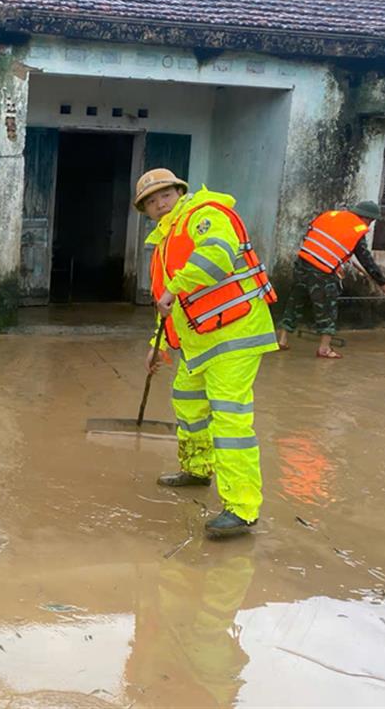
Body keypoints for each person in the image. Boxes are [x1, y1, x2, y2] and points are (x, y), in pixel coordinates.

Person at [136, 168, 278, 538]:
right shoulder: (164, 244)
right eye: (151, 202)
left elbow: (217, 256)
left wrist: (175, 287)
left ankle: (242, 508)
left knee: (229, 420)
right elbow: (169, 307)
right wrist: (158, 347)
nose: (159, 204)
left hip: (235, 333)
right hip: (201, 343)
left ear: (179, 192)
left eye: (164, 195)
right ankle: (198, 470)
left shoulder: (204, 214)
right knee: (187, 401)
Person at [276, 201, 385, 358]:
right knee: (327, 308)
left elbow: (318, 238)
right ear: (366, 218)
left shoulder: (330, 216)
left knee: (295, 300)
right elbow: (367, 261)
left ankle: (282, 340)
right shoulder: (356, 230)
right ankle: (324, 349)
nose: (370, 223)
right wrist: (383, 283)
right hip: (322, 272)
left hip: (302, 264)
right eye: (371, 220)